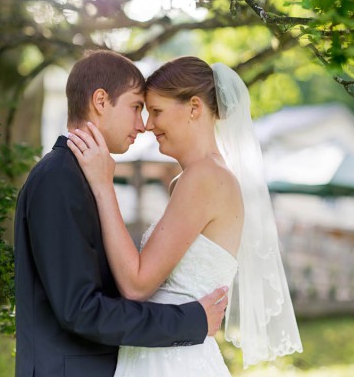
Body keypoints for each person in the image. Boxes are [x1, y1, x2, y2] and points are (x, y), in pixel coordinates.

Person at [68, 56, 303, 374]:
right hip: (167, 350)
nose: (148, 126)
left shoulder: (204, 177)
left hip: (172, 361)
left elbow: (137, 285)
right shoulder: (193, 178)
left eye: (157, 112)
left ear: (194, 107)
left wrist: (103, 184)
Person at [13, 50, 229, 377]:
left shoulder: (78, 174)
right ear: (101, 101)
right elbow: (80, 310)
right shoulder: (59, 177)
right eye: (136, 107)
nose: (142, 125)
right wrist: (190, 320)